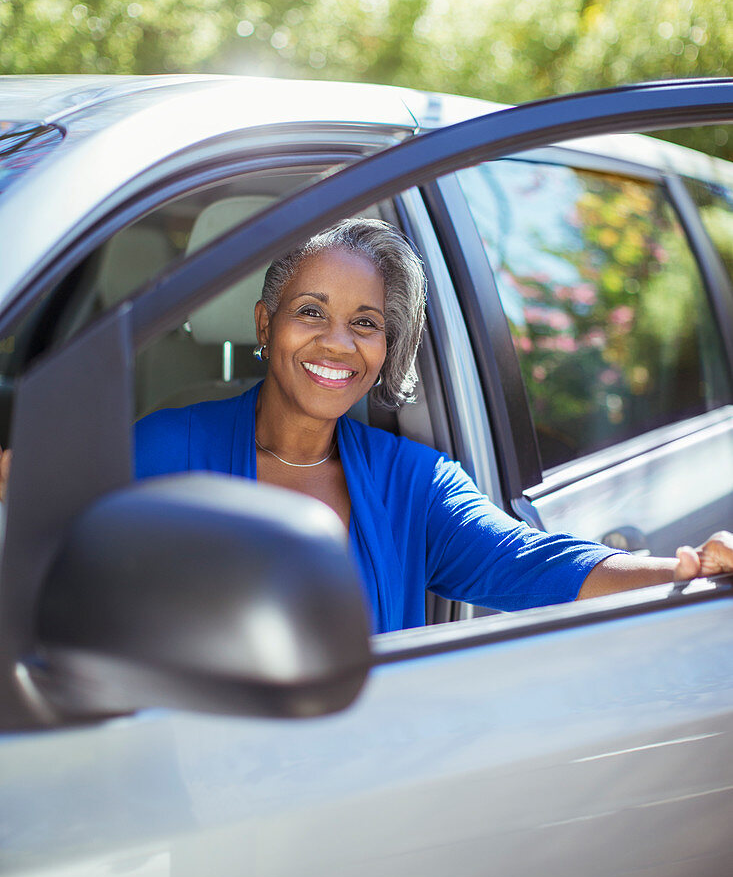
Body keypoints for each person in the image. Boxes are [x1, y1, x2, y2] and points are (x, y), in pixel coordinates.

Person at [2, 219, 732, 632]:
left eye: (365, 324)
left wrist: (682, 569)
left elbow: (538, 566)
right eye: (311, 312)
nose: (336, 345)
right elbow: (39, 524)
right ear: (266, 324)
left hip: (363, 794)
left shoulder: (415, 486)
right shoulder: (163, 447)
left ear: (388, 348)